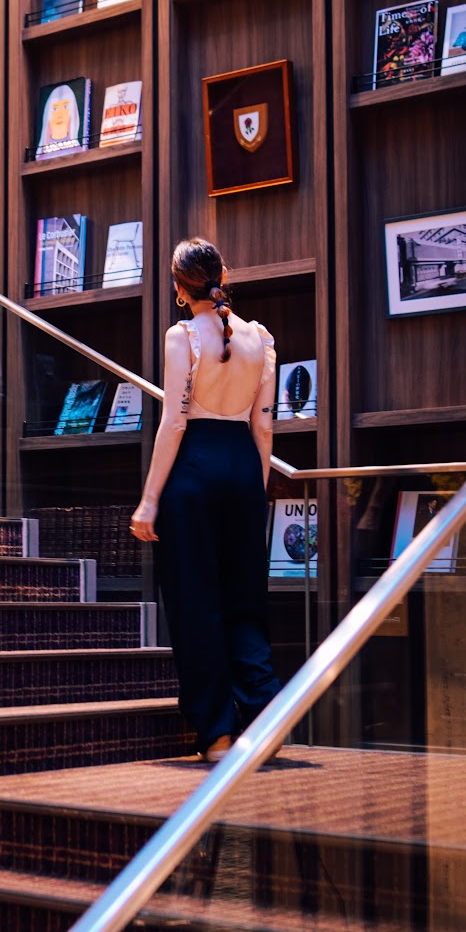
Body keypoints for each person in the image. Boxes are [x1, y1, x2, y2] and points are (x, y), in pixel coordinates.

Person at [130, 237, 281, 761]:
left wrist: (149, 501)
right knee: (246, 602)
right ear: (223, 274)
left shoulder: (181, 337)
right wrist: (255, 489)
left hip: (193, 472)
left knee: (197, 605)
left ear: (178, 288)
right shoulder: (260, 338)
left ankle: (217, 734)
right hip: (243, 469)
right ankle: (265, 718)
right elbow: (264, 426)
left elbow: (173, 422)